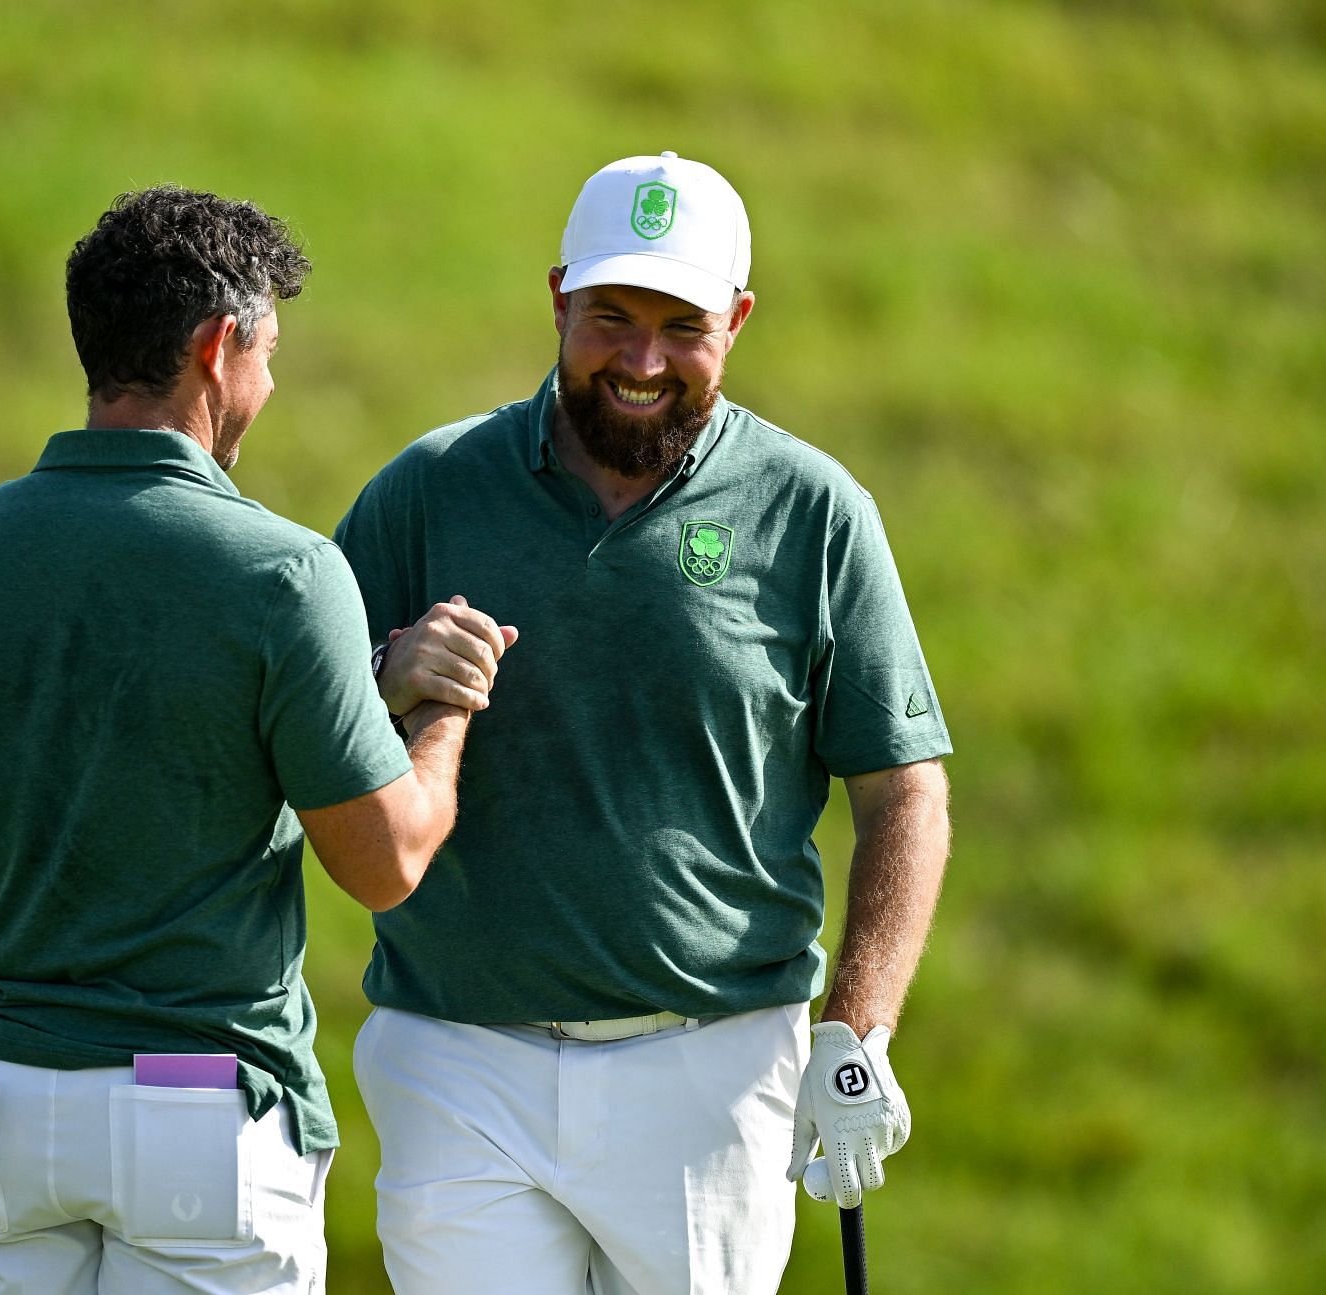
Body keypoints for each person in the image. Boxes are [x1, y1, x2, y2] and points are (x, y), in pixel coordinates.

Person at [0, 185, 505, 1295]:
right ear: (219, 348)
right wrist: (444, 713)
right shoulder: (285, 571)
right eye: (269, 350)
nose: (271, 381)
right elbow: (387, 859)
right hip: (201, 1116)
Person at [333, 152, 953, 1294]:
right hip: (458, 1053)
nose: (643, 359)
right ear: (559, 297)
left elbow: (902, 789)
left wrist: (856, 1031)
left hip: (710, 1065)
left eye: (684, 325)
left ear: (741, 320)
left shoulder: (813, 511)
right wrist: (385, 668)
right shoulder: (424, 490)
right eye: (611, 317)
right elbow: (294, 726)